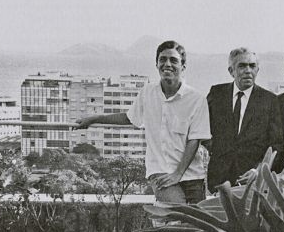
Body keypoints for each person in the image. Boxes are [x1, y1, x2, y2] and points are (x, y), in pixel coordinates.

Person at [76, 40, 211, 205]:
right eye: (163, 60)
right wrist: (94, 119)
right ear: (156, 64)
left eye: (173, 60)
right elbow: (129, 117)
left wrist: (178, 174)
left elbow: (195, 140)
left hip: (193, 176)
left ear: (183, 66)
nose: (167, 64)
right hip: (160, 172)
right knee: (178, 217)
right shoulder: (147, 93)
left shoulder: (196, 99)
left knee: (198, 226)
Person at [206, 47, 284, 192]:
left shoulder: (270, 100)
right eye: (242, 66)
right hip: (219, 180)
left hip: (252, 182)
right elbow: (202, 129)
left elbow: (276, 146)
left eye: (252, 66)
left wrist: (259, 170)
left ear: (257, 70)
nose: (248, 70)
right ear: (231, 71)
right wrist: (218, 150)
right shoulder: (217, 94)